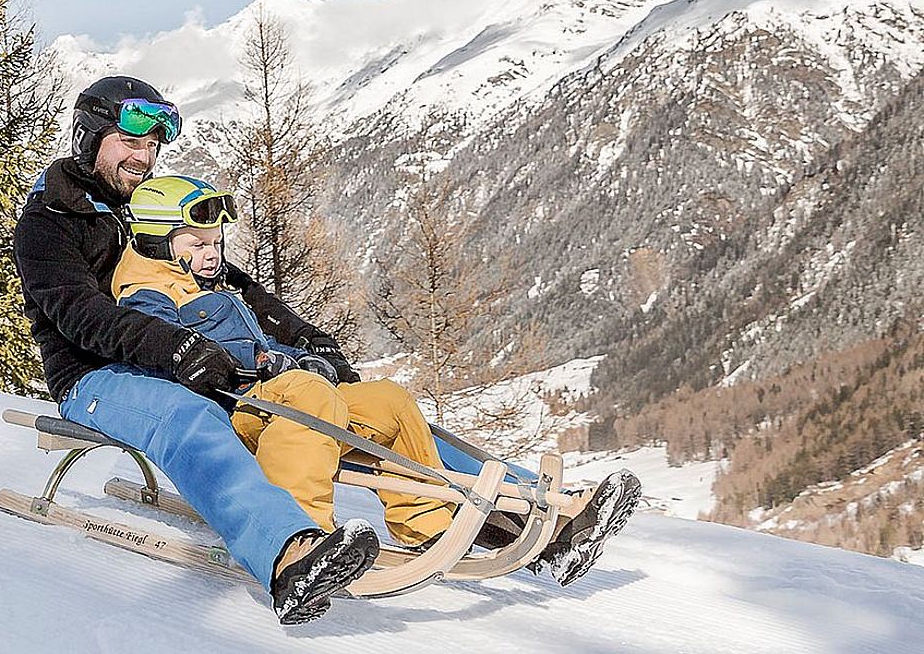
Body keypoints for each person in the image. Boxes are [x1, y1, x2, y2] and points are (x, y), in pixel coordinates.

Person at [119, 172, 644, 585]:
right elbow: (182, 359)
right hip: (242, 411)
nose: (214, 254)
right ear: (158, 240)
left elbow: (264, 343)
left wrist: (303, 354)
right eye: (198, 243)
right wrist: (273, 367)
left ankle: (427, 522)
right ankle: (305, 539)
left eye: (217, 242)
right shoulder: (147, 295)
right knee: (309, 394)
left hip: (280, 395)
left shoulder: (204, 280)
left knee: (387, 399)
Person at [14, 75, 379, 625]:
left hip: (170, 360)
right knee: (191, 418)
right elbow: (78, 313)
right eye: (130, 142)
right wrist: (177, 348)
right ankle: (287, 556)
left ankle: (503, 513)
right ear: (90, 138)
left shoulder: (147, 212)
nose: (145, 156)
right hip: (95, 377)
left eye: (153, 145)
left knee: (363, 402)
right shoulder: (50, 222)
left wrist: (310, 341)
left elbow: (237, 287)